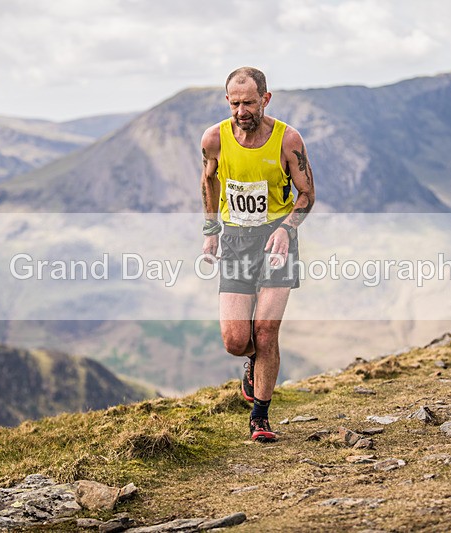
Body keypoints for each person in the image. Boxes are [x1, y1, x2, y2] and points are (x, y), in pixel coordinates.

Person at [200, 67, 316, 442]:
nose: (241, 111)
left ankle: (260, 417)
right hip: (235, 239)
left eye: (249, 103)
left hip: (276, 240)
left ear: (265, 99)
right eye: (234, 103)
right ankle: (253, 363)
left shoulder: (288, 139)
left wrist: (287, 228)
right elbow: (209, 178)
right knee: (237, 341)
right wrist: (211, 230)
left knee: (266, 331)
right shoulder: (214, 138)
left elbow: (307, 195)